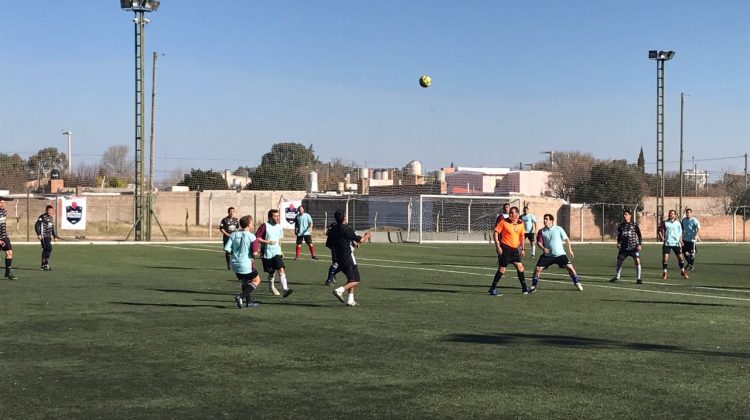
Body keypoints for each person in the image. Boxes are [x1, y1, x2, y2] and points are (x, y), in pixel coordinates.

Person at [224, 215, 276, 309]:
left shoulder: (233, 234)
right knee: (256, 280)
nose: (253, 224)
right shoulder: (252, 237)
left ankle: (249, 302)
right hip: (246, 264)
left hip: (235, 263)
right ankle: (241, 296)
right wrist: (251, 256)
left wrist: (236, 254)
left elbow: (227, 249)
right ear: (248, 224)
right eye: (252, 222)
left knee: (245, 281)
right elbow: (254, 253)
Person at [329, 210, 372, 306]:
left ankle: (350, 300)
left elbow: (330, 244)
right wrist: (367, 235)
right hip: (348, 257)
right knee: (356, 280)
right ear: (344, 217)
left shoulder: (333, 230)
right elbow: (361, 240)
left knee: (350, 279)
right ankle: (339, 290)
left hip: (339, 258)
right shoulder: (347, 228)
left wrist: (350, 242)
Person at [530, 214, 582, 292]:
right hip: (548, 256)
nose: (545, 220)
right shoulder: (541, 231)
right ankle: (533, 286)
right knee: (537, 269)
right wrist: (543, 248)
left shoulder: (558, 228)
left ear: (551, 220)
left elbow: (566, 239)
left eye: (547, 219)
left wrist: (570, 250)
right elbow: (539, 243)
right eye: (544, 219)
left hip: (560, 254)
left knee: (570, 267)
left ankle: (577, 282)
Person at [488, 206, 530, 296]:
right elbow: (496, 232)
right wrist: (498, 246)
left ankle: (524, 288)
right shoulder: (504, 222)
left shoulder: (521, 223)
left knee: (520, 267)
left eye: (512, 213)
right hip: (505, 248)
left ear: (517, 214)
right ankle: (492, 289)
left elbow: (522, 236)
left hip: (515, 250)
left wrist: (523, 249)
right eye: (510, 212)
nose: (510, 214)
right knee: (502, 269)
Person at [259, 209, 293, 297]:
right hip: (267, 253)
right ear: (270, 217)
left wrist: (280, 250)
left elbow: (279, 240)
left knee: (281, 269)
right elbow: (257, 238)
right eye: (275, 216)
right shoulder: (264, 226)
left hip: (276, 253)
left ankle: (285, 289)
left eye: (278, 216)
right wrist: (268, 242)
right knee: (271, 272)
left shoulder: (279, 227)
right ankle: (271, 287)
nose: (277, 218)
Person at [610, 210, 643, 284]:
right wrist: (618, 242)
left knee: (637, 261)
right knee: (619, 261)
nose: (624, 216)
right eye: (624, 215)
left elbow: (639, 235)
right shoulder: (621, 225)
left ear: (630, 216)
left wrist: (639, 244)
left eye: (626, 214)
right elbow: (619, 235)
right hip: (624, 248)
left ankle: (638, 279)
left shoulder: (634, 225)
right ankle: (617, 276)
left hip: (633, 247)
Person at [658, 209, 688, 280]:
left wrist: (681, 240)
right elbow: (659, 230)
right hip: (667, 243)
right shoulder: (665, 222)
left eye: (672, 213)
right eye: (670, 213)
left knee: (680, 258)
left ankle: (682, 271)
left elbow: (680, 233)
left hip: (676, 243)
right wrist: (662, 237)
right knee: (665, 257)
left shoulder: (678, 223)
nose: (671, 214)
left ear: (675, 215)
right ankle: (665, 272)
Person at [35, 204, 59, 271]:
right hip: (43, 236)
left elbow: (52, 227)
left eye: (51, 210)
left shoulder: (51, 217)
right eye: (49, 210)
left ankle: (43, 265)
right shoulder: (42, 217)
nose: (50, 211)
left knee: (46, 249)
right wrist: (39, 234)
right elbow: (37, 225)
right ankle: (46, 264)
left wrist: (55, 236)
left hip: (48, 236)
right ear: (46, 210)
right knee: (49, 248)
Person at [0, 198, 18, 279]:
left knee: (9, 253)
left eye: (3, 202)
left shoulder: (4, 212)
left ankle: (8, 273)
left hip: (4, 236)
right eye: (1, 202)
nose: (3, 204)